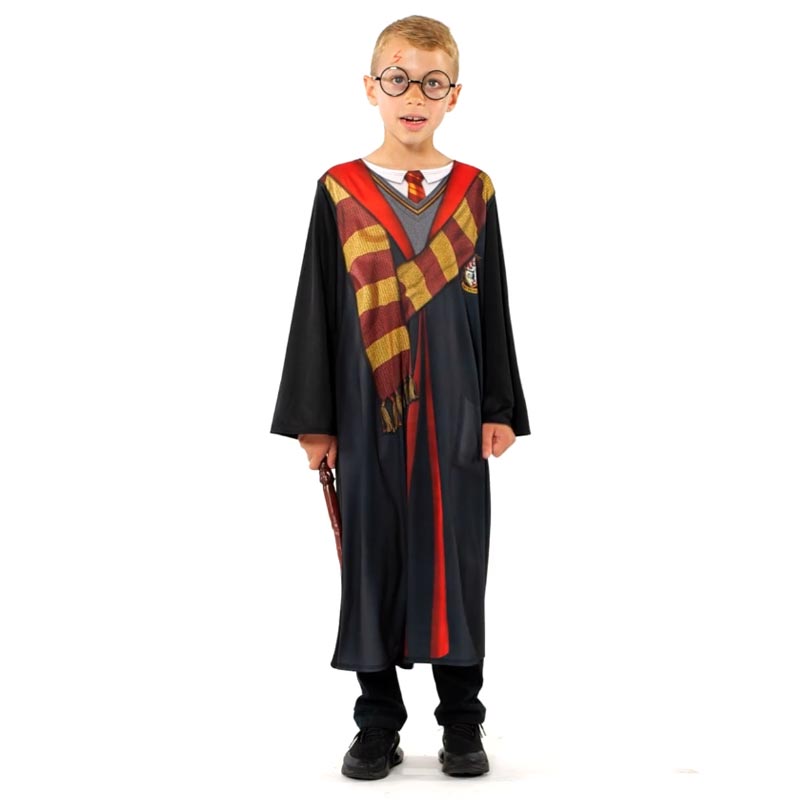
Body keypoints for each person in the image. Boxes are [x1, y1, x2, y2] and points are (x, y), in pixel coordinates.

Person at [271, 14, 530, 780]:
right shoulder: (339, 191)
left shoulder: (474, 193)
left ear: (454, 95)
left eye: (431, 82)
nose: (414, 96)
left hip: (456, 413)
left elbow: (493, 304)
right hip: (365, 411)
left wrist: (499, 406)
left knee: (457, 557)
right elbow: (317, 306)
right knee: (372, 558)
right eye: (399, 80)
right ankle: (377, 722)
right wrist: (315, 421)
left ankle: (463, 722)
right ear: (371, 88)